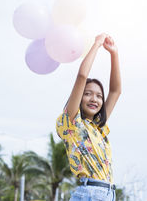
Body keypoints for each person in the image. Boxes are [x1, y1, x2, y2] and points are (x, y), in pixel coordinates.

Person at [56, 33, 121, 201]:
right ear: (79, 98)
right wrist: (97, 44)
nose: (94, 99)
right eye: (88, 94)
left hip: (108, 193)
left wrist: (114, 54)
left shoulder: (98, 127)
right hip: (90, 194)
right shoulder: (72, 123)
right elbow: (82, 76)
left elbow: (115, 91)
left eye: (99, 96)